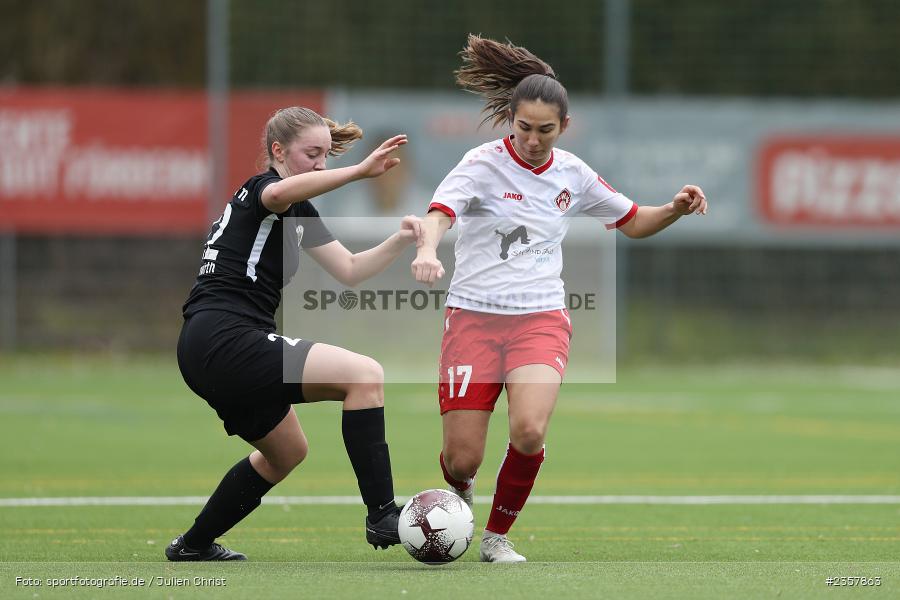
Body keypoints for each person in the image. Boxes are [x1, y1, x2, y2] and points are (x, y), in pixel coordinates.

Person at [411, 35, 708, 563]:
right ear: (510, 119)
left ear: (564, 126)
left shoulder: (573, 173)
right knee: (462, 458)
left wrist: (674, 209)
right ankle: (460, 493)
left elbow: (633, 220)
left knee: (529, 430)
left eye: (545, 130)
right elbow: (440, 213)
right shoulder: (480, 164)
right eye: (523, 127)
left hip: (539, 319)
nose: (532, 139)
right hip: (473, 318)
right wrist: (427, 250)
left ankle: (496, 537)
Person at [168, 106, 422, 561]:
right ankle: (383, 514)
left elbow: (350, 269)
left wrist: (400, 239)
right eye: (312, 154)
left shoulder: (298, 209)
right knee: (364, 375)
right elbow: (279, 192)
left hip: (209, 345)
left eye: (326, 155)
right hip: (225, 336)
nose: (321, 165)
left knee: (286, 452)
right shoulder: (262, 190)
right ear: (278, 151)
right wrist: (358, 172)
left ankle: (194, 544)